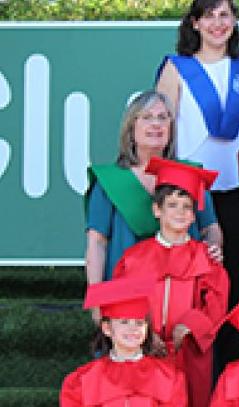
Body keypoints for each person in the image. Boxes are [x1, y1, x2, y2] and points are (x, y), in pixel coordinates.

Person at [111, 158, 229, 407]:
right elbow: (123, 305)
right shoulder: (134, 258)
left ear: (194, 215)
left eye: (187, 207)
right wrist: (144, 336)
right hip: (147, 352)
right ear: (157, 210)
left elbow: (216, 303)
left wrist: (190, 325)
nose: (180, 212)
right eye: (172, 205)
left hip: (190, 353)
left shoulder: (205, 259)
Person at [155, 0, 239, 309]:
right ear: (195, 23)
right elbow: (162, 129)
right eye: (209, 16)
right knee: (194, 269)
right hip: (193, 189)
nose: (217, 23)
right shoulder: (176, 68)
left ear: (235, 20)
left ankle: (230, 340)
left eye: (224, 15)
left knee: (233, 266)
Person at [84, 91, 221, 294]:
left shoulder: (189, 175)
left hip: (181, 289)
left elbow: (210, 228)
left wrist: (212, 248)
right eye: (147, 117)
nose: (156, 124)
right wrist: (96, 296)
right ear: (131, 128)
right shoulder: (109, 181)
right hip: (125, 292)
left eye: (163, 118)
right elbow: (97, 243)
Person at [61, 277, 191, 407]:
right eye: (124, 322)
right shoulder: (85, 378)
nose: (133, 329)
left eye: (139, 322)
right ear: (107, 328)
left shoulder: (167, 375)